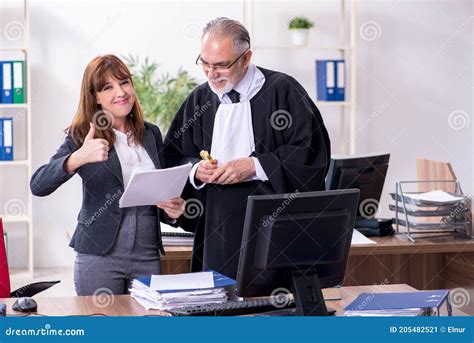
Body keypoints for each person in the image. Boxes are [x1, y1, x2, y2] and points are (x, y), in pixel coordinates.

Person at [164, 18, 331, 279]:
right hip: (216, 235)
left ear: (246, 58)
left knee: (271, 311)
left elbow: (311, 151)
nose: (211, 74)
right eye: (205, 64)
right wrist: (196, 171)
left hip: (275, 233)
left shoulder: (282, 90)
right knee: (218, 311)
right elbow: (171, 156)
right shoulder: (200, 99)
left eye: (221, 65)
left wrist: (254, 166)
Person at [30, 55, 185, 295]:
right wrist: (78, 157)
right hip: (99, 256)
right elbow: (38, 185)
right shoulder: (82, 135)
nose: (121, 92)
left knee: (150, 329)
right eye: (108, 87)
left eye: (124, 83)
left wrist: (172, 211)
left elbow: (159, 192)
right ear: (95, 97)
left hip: (147, 255)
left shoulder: (150, 134)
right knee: (102, 330)